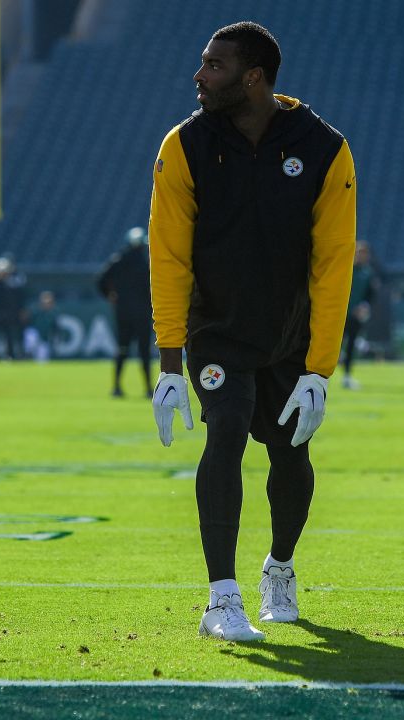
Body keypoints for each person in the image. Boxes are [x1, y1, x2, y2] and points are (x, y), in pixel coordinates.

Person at [148, 21, 357, 642]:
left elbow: (334, 262)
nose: (199, 75)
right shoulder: (185, 145)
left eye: (213, 65)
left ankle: (280, 567)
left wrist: (319, 370)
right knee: (228, 432)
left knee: (291, 453)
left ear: (253, 77)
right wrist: (167, 363)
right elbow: (168, 256)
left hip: (290, 336)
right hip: (217, 333)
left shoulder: (324, 148)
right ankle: (221, 596)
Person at [97, 227, 154, 397]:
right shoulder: (147, 262)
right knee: (144, 351)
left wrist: (110, 295)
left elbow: (101, 281)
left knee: (122, 349)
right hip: (143, 313)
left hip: (123, 313)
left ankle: (116, 387)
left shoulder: (118, 259)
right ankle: (149, 389)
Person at [339, 242, 376, 390]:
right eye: (359, 252)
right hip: (340, 315)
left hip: (355, 316)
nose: (362, 256)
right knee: (334, 346)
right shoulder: (346, 269)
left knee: (351, 346)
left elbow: (370, 295)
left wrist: (364, 307)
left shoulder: (368, 273)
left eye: (364, 253)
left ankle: (347, 376)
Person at [0, 256, 27, 360]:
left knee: (8, 334)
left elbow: (19, 297)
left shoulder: (12, 282)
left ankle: (10, 354)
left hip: (9, 313)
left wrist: (20, 310)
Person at [24, 291, 60, 363]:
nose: (46, 304)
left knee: (42, 361)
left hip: (44, 340)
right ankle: (27, 354)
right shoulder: (35, 310)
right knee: (31, 336)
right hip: (34, 336)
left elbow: (55, 329)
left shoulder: (53, 314)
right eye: (45, 302)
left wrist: (55, 339)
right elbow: (27, 326)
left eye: (48, 302)